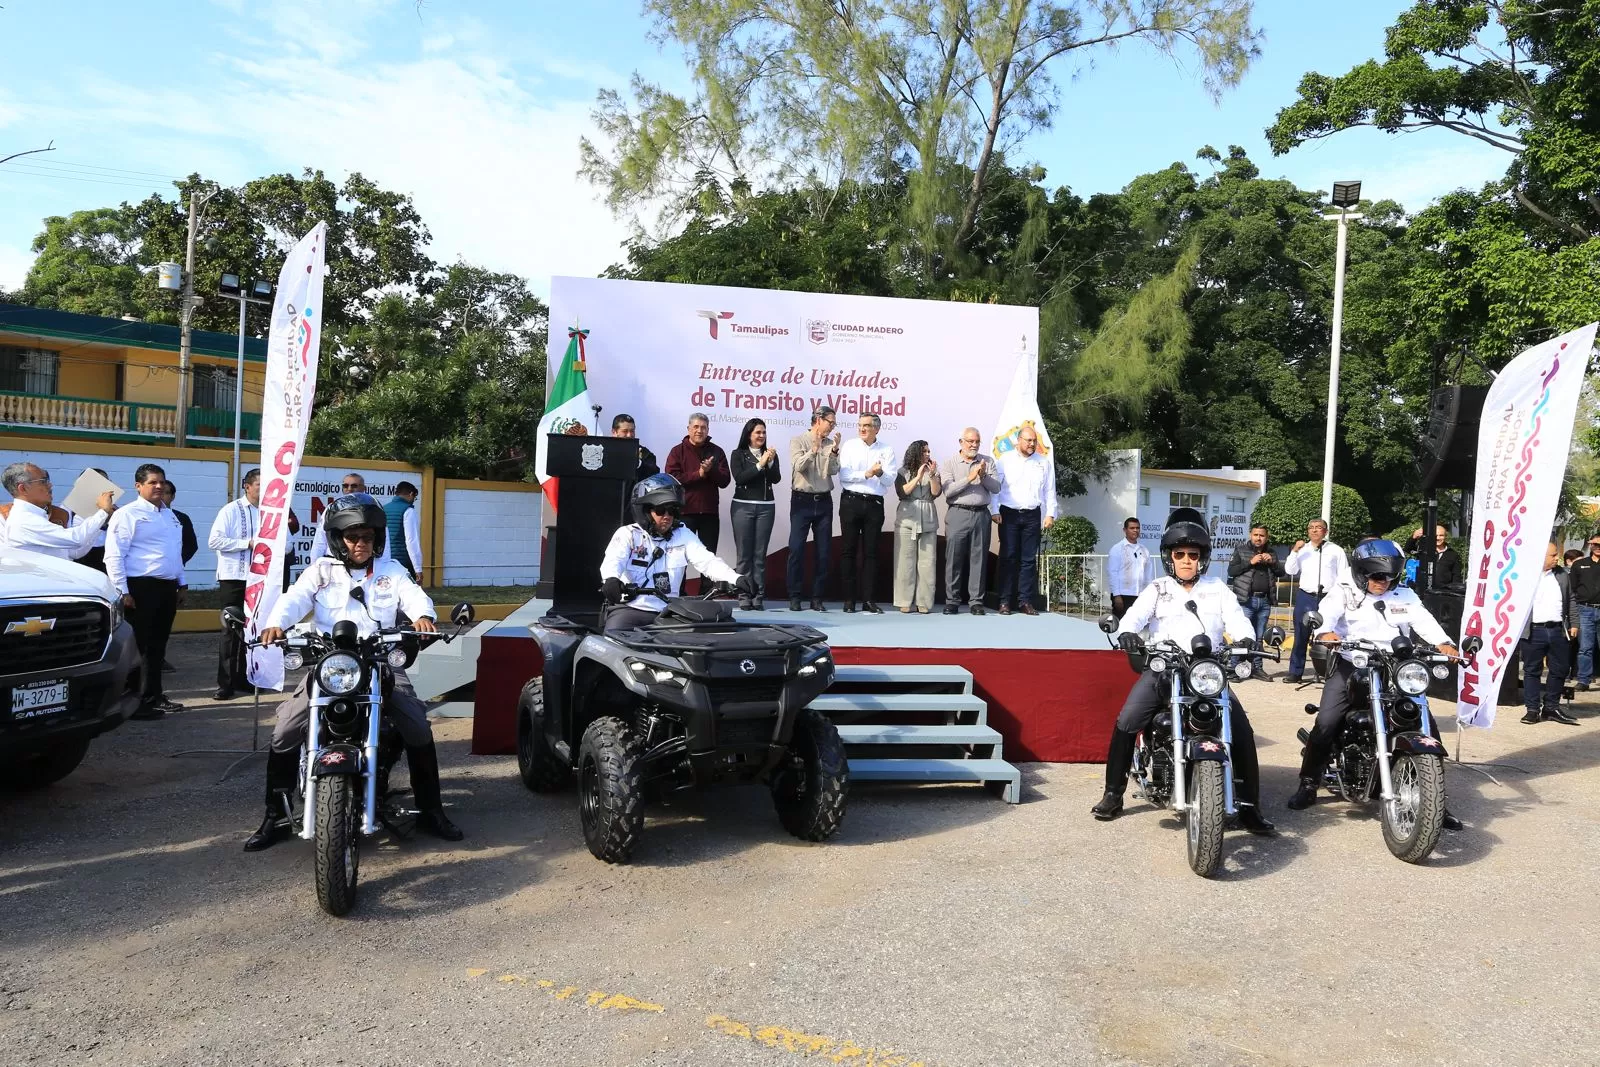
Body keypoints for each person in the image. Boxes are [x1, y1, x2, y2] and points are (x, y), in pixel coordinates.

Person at [245, 494, 463, 851]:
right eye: (352, 536)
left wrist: (423, 616)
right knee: (285, 729)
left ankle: (431, 809)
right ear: (337, 538)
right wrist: (276, 625)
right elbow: (294, 599)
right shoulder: (320, 572)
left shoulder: (391, 571)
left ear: (377, 538)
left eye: (368, 536)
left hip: (377, 662)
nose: (361, 543)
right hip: (331, 663)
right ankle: (276, 815)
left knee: (418, 727)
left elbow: (413, 596)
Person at [1092, 511, 1275, 833]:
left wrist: (1245, 637)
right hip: (1164, 668)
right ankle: (1113, 793)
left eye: (1193, 555)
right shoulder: (1158, 588)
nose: (1187, 561)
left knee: (1242, 731)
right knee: (1128, 720)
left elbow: (1236, 618)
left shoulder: (1218, 588)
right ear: (1169, 558)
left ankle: (1249, 807)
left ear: (1202, 558)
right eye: (1180, 555)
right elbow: (1133, 619)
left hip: (1206, 671)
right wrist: (1129, 634)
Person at [1287, 539, 1463, 829]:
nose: (1384, 582)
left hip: (1396, 665)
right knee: (1327, 721)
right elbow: (1326, 618)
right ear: (1361, 573)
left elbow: (1424, 620)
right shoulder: (1344, 591)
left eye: (1390, 576)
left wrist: (1444, 642)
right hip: (1353, 663)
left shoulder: (1403, 594)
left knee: (1426, 725)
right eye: (1378, 576)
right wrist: (1327, 632)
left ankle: (1434, 803)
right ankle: (1308, 783)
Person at [599, 474, 752, 631]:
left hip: (670, 612)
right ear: (645, 512)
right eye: (660, 510)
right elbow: (613, 561)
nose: (667, 517)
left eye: (671, 511)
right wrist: (611, 579)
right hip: (632, 610)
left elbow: (708, 562)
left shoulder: (682, 534)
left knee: (715, 635)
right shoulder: (628, 534)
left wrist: (736, 578)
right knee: (612, 640)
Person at [105, 463, 186, 720]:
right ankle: (134, 702)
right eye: (152, 482)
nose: (159, 486)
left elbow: (175, 552)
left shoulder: (169, 515)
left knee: (158, 647)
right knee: (138, 647)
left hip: (166, 587)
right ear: (138, 486)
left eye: (161, 482)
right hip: (140, 587)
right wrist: (122, 590)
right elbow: (114, 555)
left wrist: (181, 583)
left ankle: (154, 695)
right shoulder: (127, 514)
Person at [991, 425, 1056, 615]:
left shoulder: (1043, 463)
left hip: (1032, 515)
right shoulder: (1004, 460)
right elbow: (996, 489)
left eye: (1034, 440)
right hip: (1009, 514)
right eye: (1028, 440)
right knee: (1008, 557)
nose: (1032, 444)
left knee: (1028, 560)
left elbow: (1050, 490)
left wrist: (1050, 514)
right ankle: (1004, 601)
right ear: (1018, 440)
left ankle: (1025, 601)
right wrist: (994, 510)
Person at [837, 413, 896, 614]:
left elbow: (889, 480)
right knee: (848, 551)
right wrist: (867, 474)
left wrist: (880, 473)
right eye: (860, 425)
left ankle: (869, 600)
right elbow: (844, 476)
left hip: (874, 504)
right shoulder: (849, 446)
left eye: (867, 426)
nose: (862, 429)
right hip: (851, 502)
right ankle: (848, 600)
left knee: (871, 553)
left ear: (877, 429)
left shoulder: (886, 450)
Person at [0, 461, 115, 560]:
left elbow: (72, 553)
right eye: (43, 481)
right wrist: (103, 512)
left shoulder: (39, 515)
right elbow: (75, 539)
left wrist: (100, 523)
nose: (50, 485)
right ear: (23, 488)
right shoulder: (24, 519)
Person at [940, 428, 999, 615]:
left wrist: (983, 476)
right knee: (954, 558)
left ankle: (976, 602)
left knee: (979, 559)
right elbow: (948, 491)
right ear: (961, 442)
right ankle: (952, 601)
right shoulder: (950, 463)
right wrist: (970, 477)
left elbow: (996, 488)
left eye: (977, 442)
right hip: (958, 513)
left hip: (981, 514)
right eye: (970, 441)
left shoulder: (987, 462)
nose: (973, 445)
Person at [788, 406, 841, 611]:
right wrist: (814, 450)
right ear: (818, 419)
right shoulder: (798, 440)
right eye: (830, 422)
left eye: (834, 424)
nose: (832, 427)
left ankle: (817, 598)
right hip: (802, 501)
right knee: (797, 549)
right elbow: (798, 466)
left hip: (824, 501)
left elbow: (833, 471)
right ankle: (794, 596)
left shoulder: (830, 444)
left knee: (823, 552)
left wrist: (834, 451)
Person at [1519, 541, 1579, 725]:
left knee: (1560, 669)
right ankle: (1532, 709)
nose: (1557, 558)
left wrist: (1574, 623)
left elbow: (1571, 598)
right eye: (1553, 555)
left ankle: (1552, 707)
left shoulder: (1561, 574)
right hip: (1534, 631)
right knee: (1532, 671)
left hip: (1558, 630)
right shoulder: (1525, 576)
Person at [1282, 518, 1347, 683]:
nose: (1314, 530)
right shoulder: (1302, 550)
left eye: (1318, 528)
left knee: (1329, 634)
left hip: (1328, 596)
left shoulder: (1336, 550)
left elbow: (1343, 575)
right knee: (1301, 635)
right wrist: (1295, 550)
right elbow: (1290, 570)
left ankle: (1330, 672)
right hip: (1306, 595)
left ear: (1325, 531)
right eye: (1311, 528)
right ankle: (1295, 672)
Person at [729, 417, 781, 610]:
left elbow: (776, 479)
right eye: (758, 432)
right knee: (744, 555)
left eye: (764, 432)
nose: (761, 436)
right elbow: (740, 478)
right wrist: (760, 464)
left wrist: (769, 462)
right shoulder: (738, 454)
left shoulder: (771, 454)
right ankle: (743, 595)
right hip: (743, 506)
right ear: (749, 434)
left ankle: (758, 595)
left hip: (766, 507)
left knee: (760, 555)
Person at [664, 412, 730, 552]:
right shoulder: (677, 452)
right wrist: (698, 474)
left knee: (708, 560)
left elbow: (725, 480)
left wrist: (711, 470)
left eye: (703, 427)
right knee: (680, 559)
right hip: (684, 513)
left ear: (708, 430)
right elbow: (671, 479)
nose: (699, 431)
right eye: (696, 427)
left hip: (709, 514)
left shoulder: (717, 451)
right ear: (688, 429)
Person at [1227, 524, 1282, 681]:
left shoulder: (1271, 552)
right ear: (1251, 535)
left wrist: (1272, 562)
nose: (1258, 538)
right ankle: (1235, 669)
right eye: (1256, 534)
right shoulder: (1241, 549)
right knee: (1242, 636)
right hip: (1246, 600)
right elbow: (1231, 571)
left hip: (1264, 600)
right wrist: (1250, 562)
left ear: (1267, 537)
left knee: (1259, 637)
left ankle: (1257, 668)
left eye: (1262, 535)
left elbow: (1280, 572)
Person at [893, 440, 941, 614]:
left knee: (928, 563)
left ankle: (924, 602)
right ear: (915, 453)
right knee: (905, 562)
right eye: (924, 451)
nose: (928, 454)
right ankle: (904, 600)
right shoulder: (902, 472)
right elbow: (902, 492)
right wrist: (918, 477)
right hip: (907, 520)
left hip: (927, 519)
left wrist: (933, 475)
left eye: (929, 451)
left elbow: (935, 493)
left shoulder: (933, 471)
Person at [308, 474, 391, 563]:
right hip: (336, 563)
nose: (349, 489)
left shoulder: (373, 508)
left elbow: (383, 540)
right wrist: (314, 565)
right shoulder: (332, 509)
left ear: (364, 488)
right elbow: (320, 540)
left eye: (354, 486)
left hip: (365, 564)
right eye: (345, 486)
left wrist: (384, 566)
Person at [1568, 535, 1600, 692]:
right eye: (1594, 544)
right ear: (1590, 545)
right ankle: (1583, 680)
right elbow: (1571, 590)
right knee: (1585, 647)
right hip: (1585, 610)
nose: (1597, 547)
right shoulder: (1579, 565)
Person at [1106, 517, 1149, 620]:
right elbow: (1112, 573)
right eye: (1132, 528)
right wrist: (1117, 595)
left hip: (1140, 595)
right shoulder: (1117, 549)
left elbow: (1148, 575)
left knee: (1139, 625)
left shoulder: (1144, 550)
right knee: (1121, 626)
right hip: (1123, 595)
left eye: (1137, 528)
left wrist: (1148, 594)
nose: (1135, 530)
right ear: (1125, 530)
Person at [384, 480, 424, 582]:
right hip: (403, 563)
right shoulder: (408, 510)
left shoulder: (383, 509)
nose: (414, 500)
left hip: (385, 562)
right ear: (411, 494)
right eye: (415, 498)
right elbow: (411, 541)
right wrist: (417, 568)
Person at [1407, 524, 1462, 589]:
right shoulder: (1424, 550)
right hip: (1423, 590)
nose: (1438, 538)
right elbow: (1408, 549)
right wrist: (1414, 537)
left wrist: (1453, 592)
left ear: (1445, 537)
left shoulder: (1453, 555)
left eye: (1441, 535)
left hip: (1442, 593)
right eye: (1435, 535)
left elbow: (1456, 576)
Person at [160, 480, 199, 565]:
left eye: (166, 493)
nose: (161, 496)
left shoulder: (182, 518)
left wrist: (178, 561)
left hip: (173, 569)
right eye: (159, 492)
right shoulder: (145, 516)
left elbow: (191, 545)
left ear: (172, 496)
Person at [612, 413, 660, 480]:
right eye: (625, 431)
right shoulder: (604, 451)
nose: (629, 435)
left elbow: (654, 474)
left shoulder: (644, 453)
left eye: (632, 431)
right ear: (614, 432)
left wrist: (640, 463)